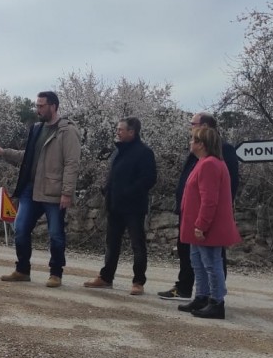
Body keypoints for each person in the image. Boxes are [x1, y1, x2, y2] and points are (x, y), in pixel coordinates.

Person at [0, 91, 80, 287]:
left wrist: (67, 193)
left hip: (54, 191)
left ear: (53, 106)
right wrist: (5, 153)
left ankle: (56, 274)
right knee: (20, 229)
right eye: (37, 105)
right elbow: (28, 156)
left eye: (41, 106)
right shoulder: (36, 128)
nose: (37, 109)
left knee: (55, 234)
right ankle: (22, 270)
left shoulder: (67, 131)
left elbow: (72, 163)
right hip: (31, 189)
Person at [158, 112, 239, 301]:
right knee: (192, 256)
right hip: (191, 213)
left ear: (204, 127)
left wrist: (208, 218)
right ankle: (192, 292)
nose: (190, 128)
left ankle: (214, 297)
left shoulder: (219, 153)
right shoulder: (199, 155)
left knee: (212, 259)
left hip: (207, 216)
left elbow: (223, 188)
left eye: (193, 124)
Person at [83, 117, 157, 295]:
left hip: (133, 208)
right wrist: (106, 189)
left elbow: (149, 179)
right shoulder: (118, 151)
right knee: (112, 244)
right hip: (114, 205)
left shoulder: (144, 152)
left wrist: (127, 191)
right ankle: (106, 278)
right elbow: (113, 175)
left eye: (120, 129)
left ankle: (138, 281)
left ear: (132, 132)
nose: (117, 132)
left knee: (137, 245)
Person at [178, 125, 241, 319]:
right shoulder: (203, 162)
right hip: (197, 225)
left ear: (202, 144)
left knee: (211, 263)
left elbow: (209, 199)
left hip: (206, 226)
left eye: (193, 140)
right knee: (197, 261)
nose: (190, 143)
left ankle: (217, 302)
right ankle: (202, 296)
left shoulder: (210, 164)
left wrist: (201, 225)